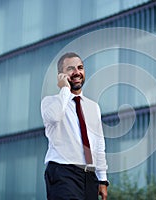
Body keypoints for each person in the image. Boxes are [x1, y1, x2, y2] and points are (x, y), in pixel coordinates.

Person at [41, 52, 109, 200]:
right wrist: (65, 89)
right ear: (61, 75)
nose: (77, 72)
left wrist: (102, 179)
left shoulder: (93, 107)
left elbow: (98, 144)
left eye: (80, 68)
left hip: (89, 176)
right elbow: (55, 116)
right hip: (63, 172)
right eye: (71, 69)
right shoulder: (50, 102)